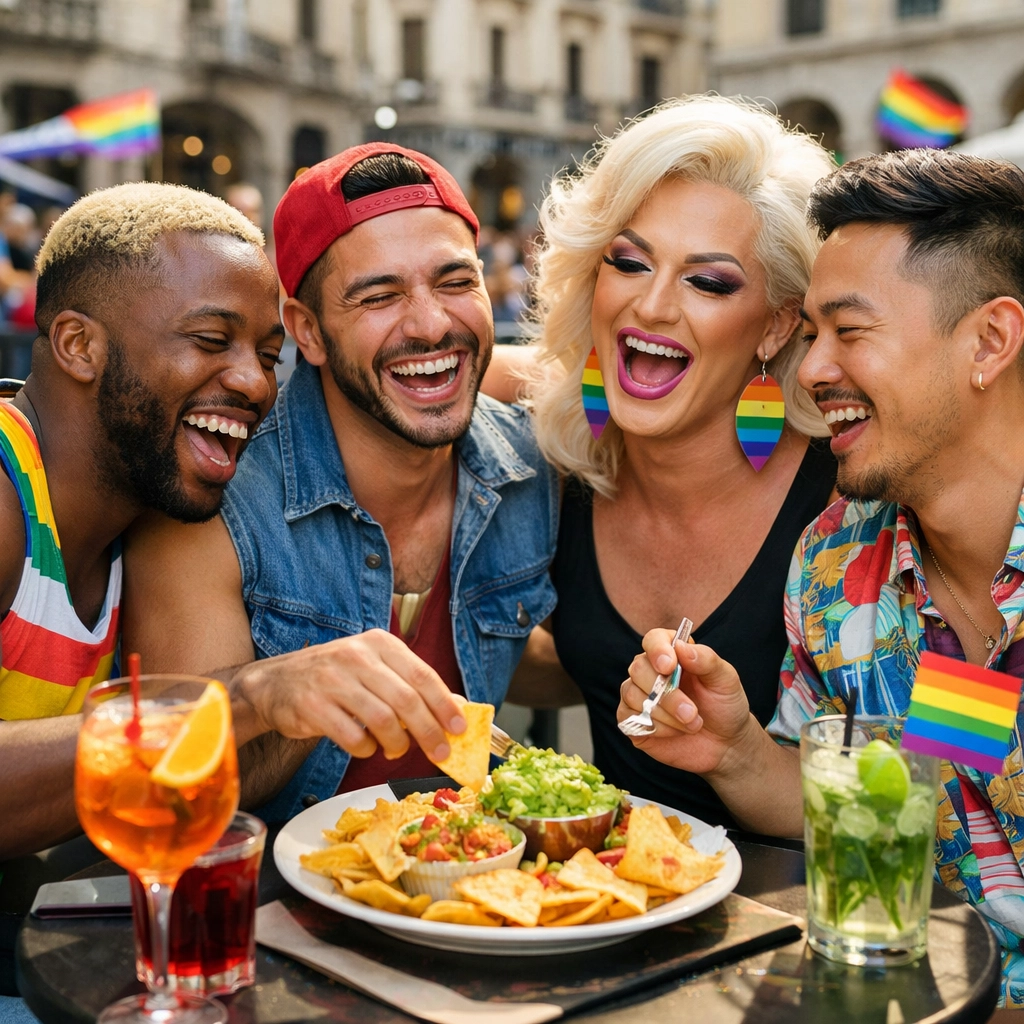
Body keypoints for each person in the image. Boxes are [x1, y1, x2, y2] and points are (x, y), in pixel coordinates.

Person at [620, 148, 1024, 1005]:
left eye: (850, 330)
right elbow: (919, 804)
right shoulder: (841, 562)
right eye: (810, 333)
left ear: (989, 341)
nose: (810, 370)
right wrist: (733, 753)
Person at [125, 143, 559, 819]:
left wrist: (642, 677)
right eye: (380, 296)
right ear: (310, 333)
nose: (431, 324)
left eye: (455, 282)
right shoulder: (215, 498)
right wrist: (290, 695)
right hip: (272, 906)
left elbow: (503, 641)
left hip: (474, 893)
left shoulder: (530, 462)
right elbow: (179, 800)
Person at [500, 97, 837, 826]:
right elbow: (576, 666)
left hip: (816, 919)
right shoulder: (559, 458)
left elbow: (943, 790)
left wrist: (740, 753)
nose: (651, 306)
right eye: (628, 262)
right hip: (611, 911)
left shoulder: (860, 490)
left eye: (707, 281)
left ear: (778, 325)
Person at [0, 182, 284, 862]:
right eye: (212, 339)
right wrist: (243, 698)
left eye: (270, 356)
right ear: (78, 344)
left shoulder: (147, 502)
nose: (255, 383)